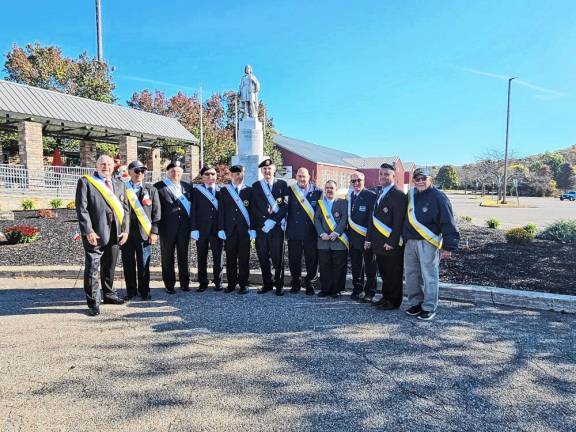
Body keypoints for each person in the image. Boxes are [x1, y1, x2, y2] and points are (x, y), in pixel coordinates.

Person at [75, 154, 129, 316]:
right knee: (93, 266)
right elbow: (81, 209)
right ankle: (93, 302)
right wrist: (88, 231)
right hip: (95, 233)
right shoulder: (86, 182)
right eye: (102, 164)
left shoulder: (120, 184)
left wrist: (125, 230)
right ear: (97, 166)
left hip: (116, 233)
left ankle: (109, 294)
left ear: (114, 167)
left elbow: (125, 210)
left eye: (109, 164)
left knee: (110, 265)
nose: (106, 167)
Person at [403, 167, 460, 321]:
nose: (420, 181)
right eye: (417, 179)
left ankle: (429, 307)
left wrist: (449, 246)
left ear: (430, 179)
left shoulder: (439, 197)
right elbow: (405, 219)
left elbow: (448, 221)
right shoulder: (411, 196)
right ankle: (416, 303)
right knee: (412, 275)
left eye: (424, 178)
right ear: (413, 181)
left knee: (429, 276)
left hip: (428, 242)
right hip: (410, 242)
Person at [366, 163, 407, 310]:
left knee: (393, 273)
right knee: (384, 272)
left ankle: (394, 301)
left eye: (386, 174)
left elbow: (399, 221)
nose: (383, 177)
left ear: (393, 176)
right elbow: (374, 218)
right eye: (381, 174)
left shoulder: (399, 195)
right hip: (379, 243)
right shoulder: (381, 192)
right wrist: (369, 239)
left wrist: (392, 241)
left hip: (391, 244)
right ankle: (386, 297)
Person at [120, 160, 161, 301]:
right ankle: (131, 291)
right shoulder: (122, 188)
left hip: (144, 233)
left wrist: (154, 232)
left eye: (142, 171)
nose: (140, 174)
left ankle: (144, 291)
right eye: (137, 171)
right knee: (128, 263)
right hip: (126, 233)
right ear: (129, 172)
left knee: (144, 263)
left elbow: (157, 213)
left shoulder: (151, 189)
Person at [154, 161, 194, 293]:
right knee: (167, 257)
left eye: (178, 171)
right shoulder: (158, 187)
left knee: (184, 256)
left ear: (181, 173)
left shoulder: (188, 187)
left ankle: (185, 283)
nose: (175, 173)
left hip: (184, 228)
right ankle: (169, 285)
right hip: (167, 229)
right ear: (167, 172)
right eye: (172, 171)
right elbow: (156, 209)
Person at [251, 158, 289, 296]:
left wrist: (273, 221)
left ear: (274, 169)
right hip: (262, 229)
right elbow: (254, 208)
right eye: (264, 169)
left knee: (277, 258)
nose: (267, 171)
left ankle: (279, 285)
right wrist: (257, 226)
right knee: (263, 257)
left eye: (269, 168)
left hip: (277, 227)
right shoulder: (256, 186)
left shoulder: (283, 184)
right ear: (261, 171)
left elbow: (285, 206)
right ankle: (267, 284)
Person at [218, 165, 255, 294]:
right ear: (230, 175)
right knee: (230, 258)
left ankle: (243, 284)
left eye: (240, 173)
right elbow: (221, 211)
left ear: (243, 174)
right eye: (235, 174)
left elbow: (253, 211)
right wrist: (221, 228)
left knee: (244, 258)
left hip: (244, 230)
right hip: (229, 230)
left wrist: (253, 228)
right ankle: (231, 284)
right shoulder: (224, 191)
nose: (238, 176)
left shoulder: (249, 191)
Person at [286, 167, 322, 295]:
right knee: (294, 259)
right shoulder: (290, 191)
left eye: (304, 176)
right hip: (294, 231)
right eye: (299, 176)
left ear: (309, 177)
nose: (302, 179)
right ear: (296, 177)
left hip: (311, 232)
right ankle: (295, 283)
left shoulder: (318, 192)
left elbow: (321, 214)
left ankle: (310, 284)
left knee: (311, 260)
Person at [314, 180, 349, 298]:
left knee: (339, 266)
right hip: (323, 240)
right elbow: (316, 219)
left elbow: (344, 218)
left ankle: (337, 290)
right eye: (327, 188)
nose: (329, 190)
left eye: (332, 188)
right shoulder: (320, 203)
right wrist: (321, 233)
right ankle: (325, 289)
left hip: (338, 241)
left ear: (336, 189)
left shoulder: (343, 203)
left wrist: (337, 232)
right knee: (324, 266)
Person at [191, 165, 223, 292]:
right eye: (207, 174)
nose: (210, 177)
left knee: (218, 257)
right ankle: (203, 282)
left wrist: (222, 228)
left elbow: (224, 212)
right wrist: (194, 228)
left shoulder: (222, 191)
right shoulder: (196, 191)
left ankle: (218, 282)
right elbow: (193, 211)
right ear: (202, 177)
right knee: (201, 257)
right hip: (202, 230)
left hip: (217, 230)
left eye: (213, 174)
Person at [347, 171, 378, 302]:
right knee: (356, 266)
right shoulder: (350, 196)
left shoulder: (371, 196)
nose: (356, 183)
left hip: (366, 239)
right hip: (353, 239)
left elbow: (372, 220)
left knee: (370, 267)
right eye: (353, 181)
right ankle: (357, 289)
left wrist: (369, 238)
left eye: (358, 180)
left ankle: (370, 292)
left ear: (363, 181)